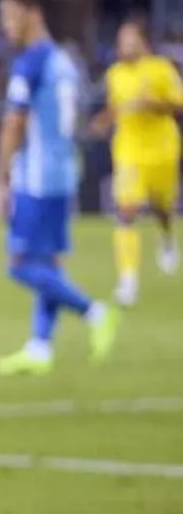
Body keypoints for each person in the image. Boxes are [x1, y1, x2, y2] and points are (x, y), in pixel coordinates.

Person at [0, 0, 121, 375]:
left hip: (38, 177)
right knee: (47, 262)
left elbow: (13, 124)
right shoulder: (65, 60)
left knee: (18, 264)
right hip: (63, 171)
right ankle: (39, 347)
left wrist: (1, 179)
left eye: (10, 15)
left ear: (34, 13)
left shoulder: (30, 63)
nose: (5, 26)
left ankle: (96, 312)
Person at [90, 19, 182, 306]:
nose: (124, 45)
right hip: (129, 151)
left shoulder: (161, 68)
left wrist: (151, 103)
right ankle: (128, 281)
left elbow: (178, 104)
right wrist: (103, 122)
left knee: (161, 207)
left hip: (162, 150)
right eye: (121, 39)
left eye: (129, 39)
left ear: (143, 41)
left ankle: (167, 239)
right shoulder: (115, 74)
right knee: (126, 211)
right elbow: (115, 109)